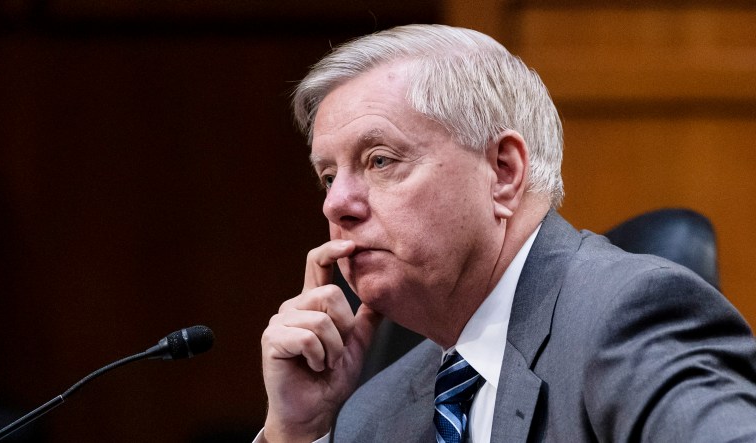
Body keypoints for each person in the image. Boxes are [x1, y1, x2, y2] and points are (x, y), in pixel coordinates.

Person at [257, 24, 756, 442]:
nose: (336, 203)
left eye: (380, 160)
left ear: (502, 171)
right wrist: (298, 431)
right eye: (327, 176)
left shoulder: (628, 318)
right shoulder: (375, 412)